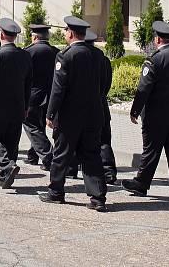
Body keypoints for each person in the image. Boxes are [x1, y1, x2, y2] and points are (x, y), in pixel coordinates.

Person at [39, 16, 107, 211]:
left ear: (70, 33)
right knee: (92, 155)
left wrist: (50, 113)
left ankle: (56, 192)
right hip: (93, 113)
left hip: (70, 116)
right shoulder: (97, 55)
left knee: (61, 154)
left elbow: (58, 89)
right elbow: (103, 85)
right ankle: (98, 197)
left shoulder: (65, 56)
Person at [123, 21, 169, 204]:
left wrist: (135, 110)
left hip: (157, 114)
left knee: (151, 150)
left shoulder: (154, 60)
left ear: (157, 39)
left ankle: (141, 183)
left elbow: (144, 88)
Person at [0, 18, 32, 189]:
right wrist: (26, 107)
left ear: (1, 34)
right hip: (18, 107)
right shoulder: (25, 56)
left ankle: (7, 166)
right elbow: (28, 84)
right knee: (11, 141)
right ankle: (6, 175)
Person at [22, 24, 58, 170]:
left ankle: (48, 156)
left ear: (35, 37)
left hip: (33, 95)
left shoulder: (28, 52)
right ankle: (33, 156)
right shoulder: (56, 52)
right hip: (50, 95)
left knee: (30, 125)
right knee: (39, 125)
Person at [85, 30, 117, 184]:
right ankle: (109, 171)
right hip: (101, 103)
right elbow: (107, 84)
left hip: (82, 107)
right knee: (104, 140)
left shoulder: (75, 57)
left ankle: (70, 169)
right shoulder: (103, 59)